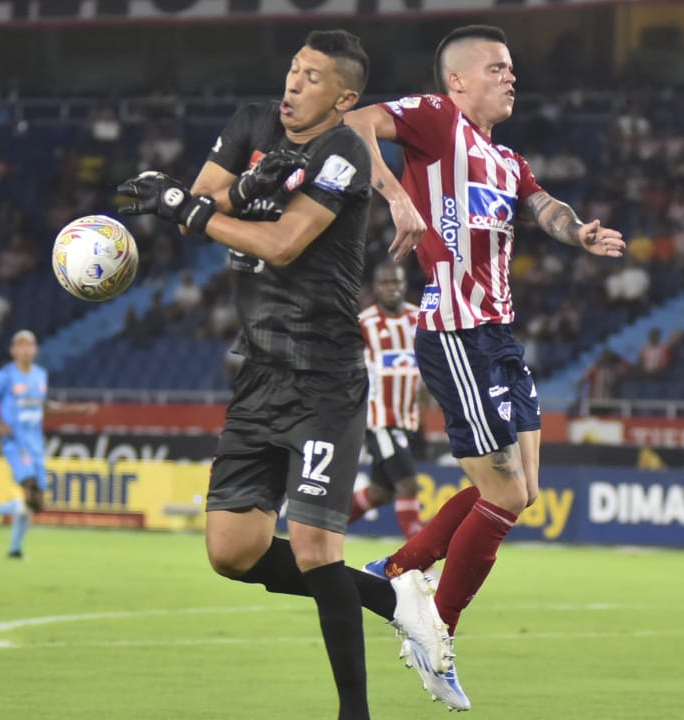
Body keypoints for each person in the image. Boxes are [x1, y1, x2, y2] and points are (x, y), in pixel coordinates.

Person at [115, 30, 451, 720]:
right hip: (260, 373)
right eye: (294, 71)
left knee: (315, 547)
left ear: (345, 98)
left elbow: (281, 241)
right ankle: (392, 597)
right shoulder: (250, 123)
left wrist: (191, 205)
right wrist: (218, 198)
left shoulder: (346, 154)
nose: (294, 85)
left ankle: (352, 712)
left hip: (325, 377)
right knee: (232, 551)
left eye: (313, 78)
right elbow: (214, 197)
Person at [345, 24, 626, 710]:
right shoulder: (437, 121)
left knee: (522, 489)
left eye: (512, 68)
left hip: (499, 337)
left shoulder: (505, 161)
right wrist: (394, 192)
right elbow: (353, 123)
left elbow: (544, 206)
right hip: (456, 333)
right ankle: (433, 625)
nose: (512, 77)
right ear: (458, 81)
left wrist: (578, 230)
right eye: (498, 67)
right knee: (501, 494)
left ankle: (398, 568)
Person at [0, 330, 95, 558]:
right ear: (13, 350)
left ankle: (3, 527)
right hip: (16, 442)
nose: (25, 349)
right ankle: (9, 538)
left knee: (37, 504)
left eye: (30, 345)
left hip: (36, 443)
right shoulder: (5, 376)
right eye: (20, 345)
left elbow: (44, 406)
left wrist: (76, 409)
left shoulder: (40, 375)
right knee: (30, 488)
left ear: (35, 350)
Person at [352, 260, 426, 538]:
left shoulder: (419, 319)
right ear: (375, 288)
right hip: (380, 420)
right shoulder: (365, 324)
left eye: (396, 282)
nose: (392, 288)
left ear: (404, 285)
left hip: (408, 419)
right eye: (385, 283)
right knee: (408, 485)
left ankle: (321, 531)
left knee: (379, 492)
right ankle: (422, 563)